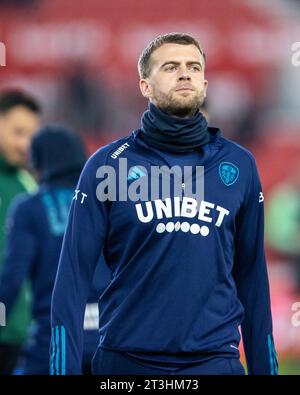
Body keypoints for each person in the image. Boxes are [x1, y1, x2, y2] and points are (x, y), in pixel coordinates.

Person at [51, 32, 278, 375]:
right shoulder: (108, 165)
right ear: (144, 85)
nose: (185, 73)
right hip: (126, 364)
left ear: (204, 82)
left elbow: (253, 281)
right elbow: (71, 281)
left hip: (214, 363)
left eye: (193, 66)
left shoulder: (240, 166)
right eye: (171, 67)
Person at [0, 125, 111, 374]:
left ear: (40, 164)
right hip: (109, 341)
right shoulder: (108, 202)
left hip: (54, 340)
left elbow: (11, 281)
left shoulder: (29, 208)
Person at [0, 90, 41, 374]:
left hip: (19, 333)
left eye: (31, 136)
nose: (25, 144)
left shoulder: (27, 184)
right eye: (17, 132)